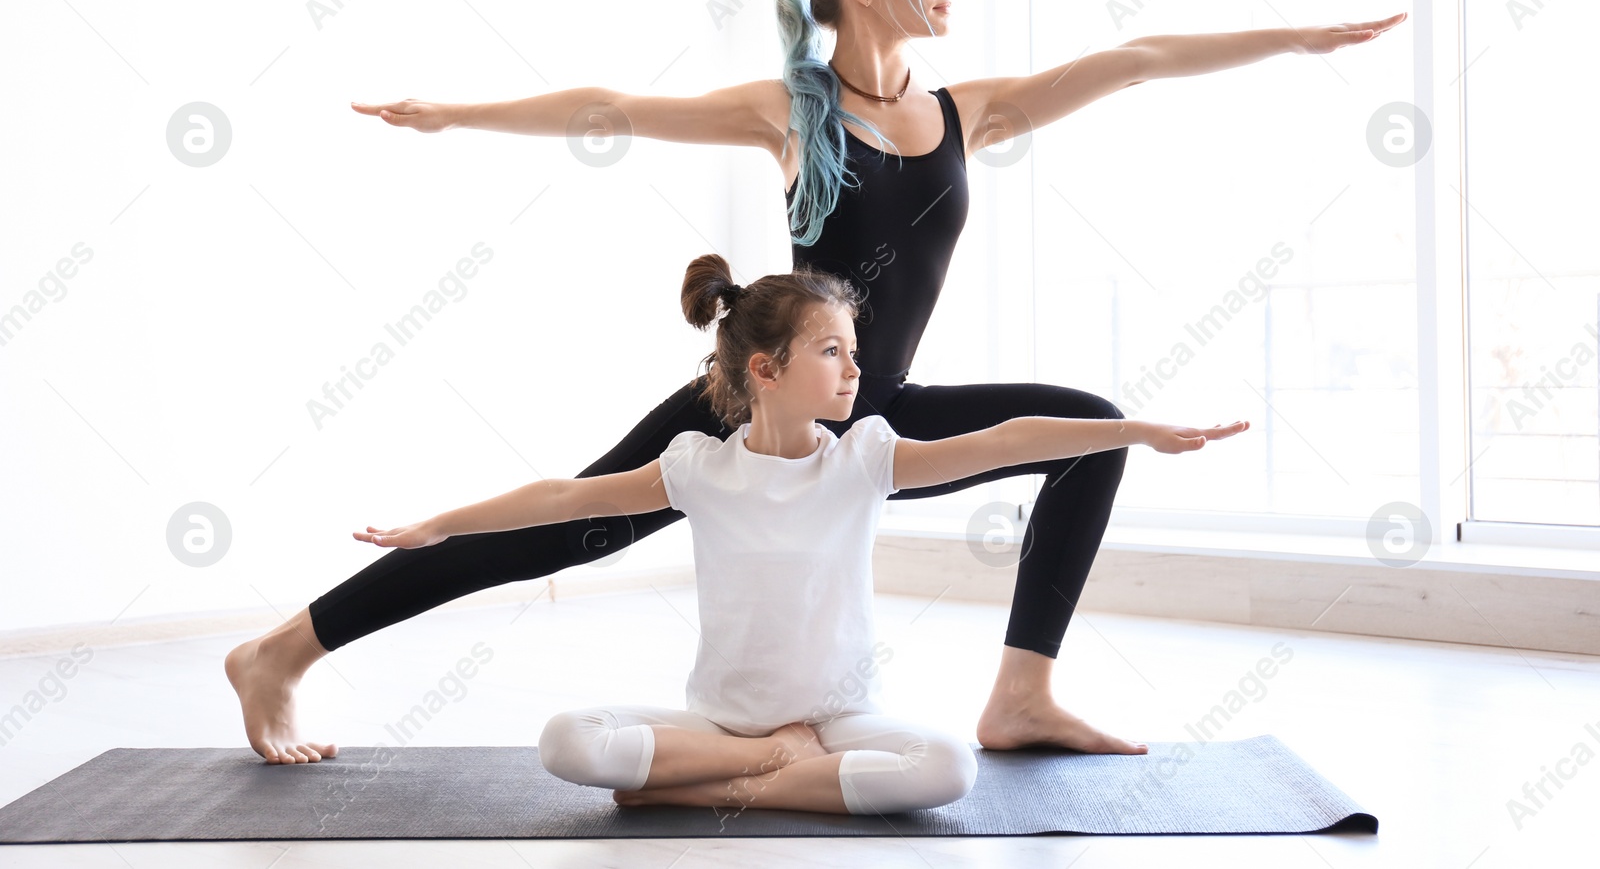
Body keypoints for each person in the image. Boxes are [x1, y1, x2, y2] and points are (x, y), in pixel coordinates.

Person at [226, 0, 1401, 766]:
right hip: (768, 397)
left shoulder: (963, 110)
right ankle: (283, 650)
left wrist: (1295, 40)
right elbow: (609, 107)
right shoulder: (791, 111)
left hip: (869, 407)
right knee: (566, 531)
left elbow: (1136, 60)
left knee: (1092, 432)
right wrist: (455, 114)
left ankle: (1022, 694)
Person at [350, 254, 1248, 813]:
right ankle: (761, 766)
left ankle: (719, 786)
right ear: (766, 369)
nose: (856, 369)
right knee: (565, 740)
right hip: (720, 720)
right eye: (834, 352)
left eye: (855, 352)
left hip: (839, 721)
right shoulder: (699, 466)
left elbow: (1005, 442)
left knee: (945, 769)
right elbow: (561, 497)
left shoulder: (866, 457)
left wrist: (1130, 431)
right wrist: (436, 525)